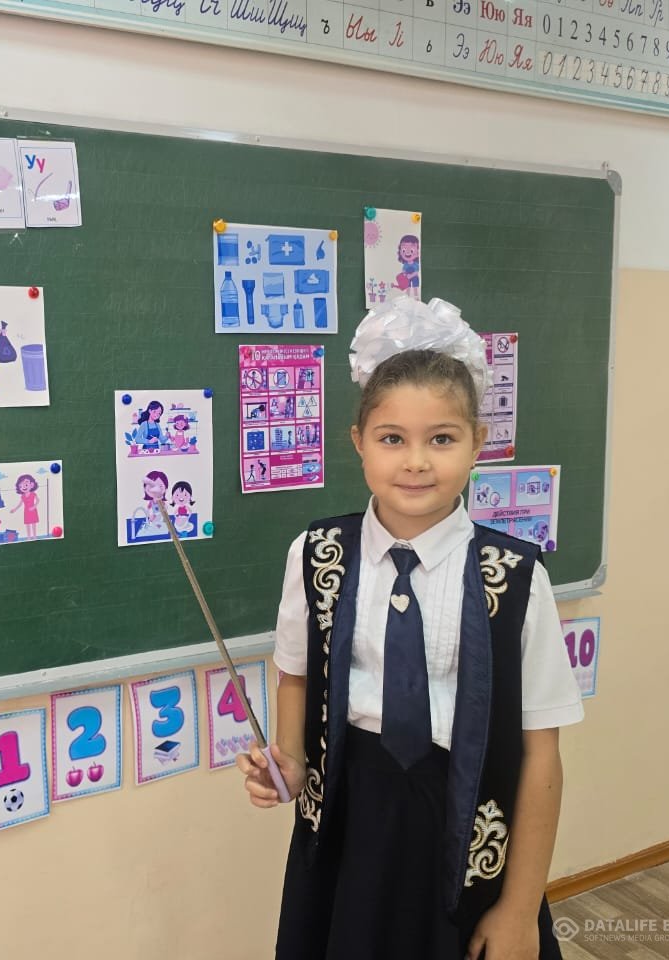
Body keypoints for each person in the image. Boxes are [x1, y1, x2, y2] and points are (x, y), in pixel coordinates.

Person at [238, 296, 583, 960]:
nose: (416, 461)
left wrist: (517, 911)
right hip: (349, 824)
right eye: (392, 438)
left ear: (478, 442)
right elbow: (296, 675)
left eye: (442, 439)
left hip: (465, 823)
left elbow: (541, 752)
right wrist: (288, 762)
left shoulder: (514, 576)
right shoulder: (318, 555)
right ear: (359, 442)